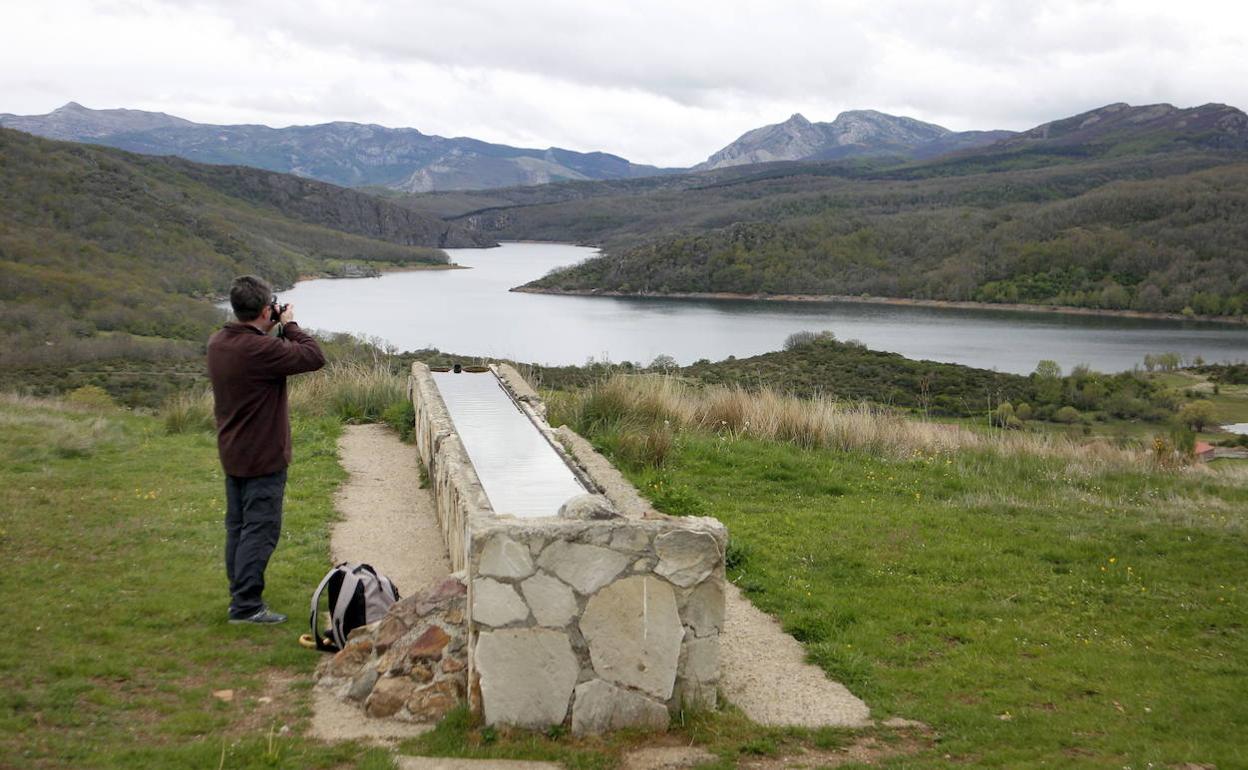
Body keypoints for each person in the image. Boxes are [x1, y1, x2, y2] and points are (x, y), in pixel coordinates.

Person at [207, 275, 325, 624]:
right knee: (260, 529)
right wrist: (290, 325)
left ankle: (239, 595)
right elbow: (314, 356)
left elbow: (258, 345)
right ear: (265, 310)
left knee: (238, 527)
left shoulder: (219, 343)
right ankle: (246, 606)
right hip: (263, 455)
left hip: (233, 450)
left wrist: (271, 326)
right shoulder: (260, 350)